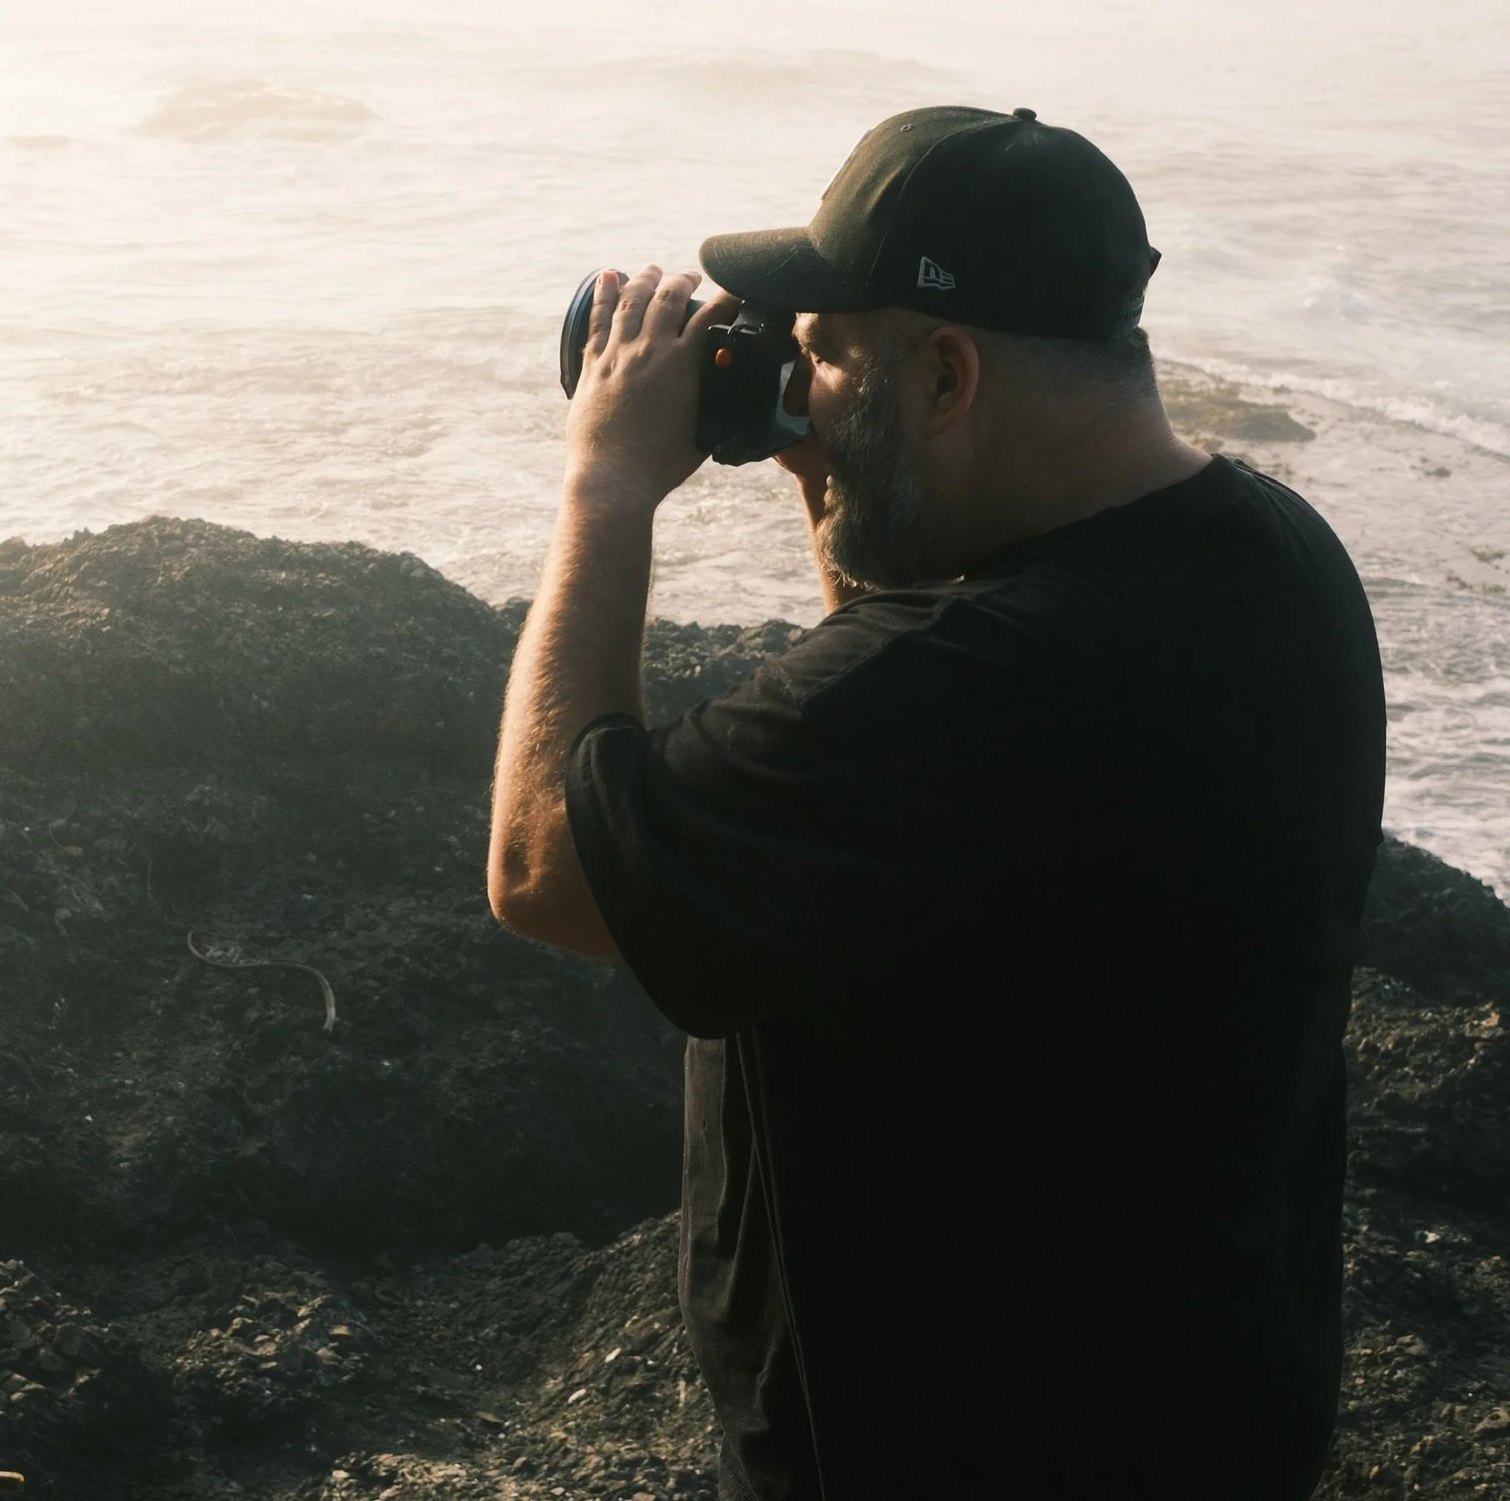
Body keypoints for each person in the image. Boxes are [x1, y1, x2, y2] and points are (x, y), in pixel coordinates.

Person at [487, 106, 1386, 1500]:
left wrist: (605, 488)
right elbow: (921, 757)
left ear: (950, 373)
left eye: (830, 351)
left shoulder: (989, 679)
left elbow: (550, 867)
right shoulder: (1271, 555)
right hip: (1195, 1406)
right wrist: (843, 470)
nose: (801, 380)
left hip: (950, 1445)